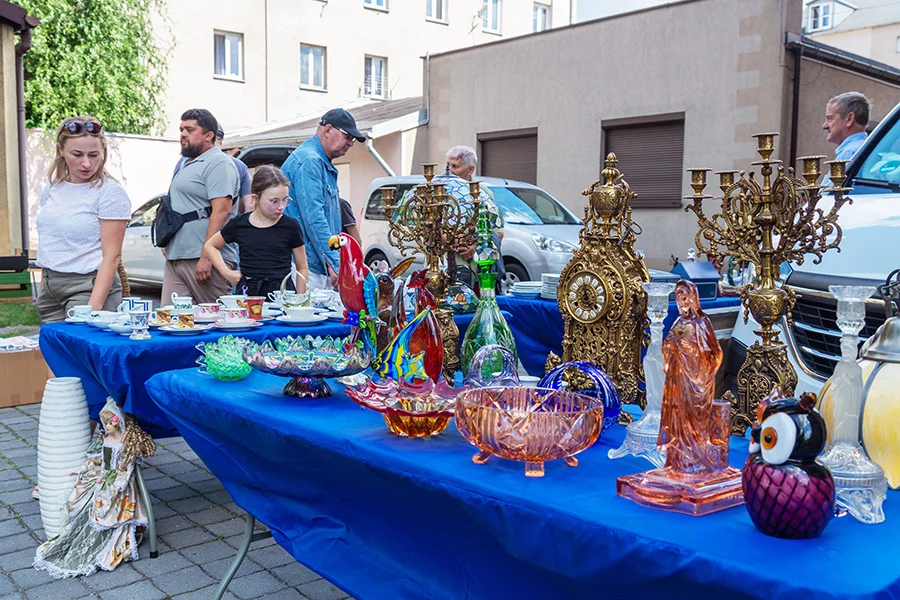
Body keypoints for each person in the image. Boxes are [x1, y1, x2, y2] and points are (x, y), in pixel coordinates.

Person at [35, 116, 131, 323]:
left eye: (94, 154)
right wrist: (45, 283)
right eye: (77, 154)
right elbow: (51, 238)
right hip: (51, 288)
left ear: (103, 153)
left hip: (87, 287)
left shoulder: (110, 192)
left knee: (81, 352)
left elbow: (112, 257)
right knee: (52, 354)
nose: (86, 163)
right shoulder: (53, 186)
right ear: (61, 150)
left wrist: (92, 310)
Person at [161, 108, 240, 304]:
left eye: (190, 129)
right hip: (177, 257)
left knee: (218, 324)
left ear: (209, 135)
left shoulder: (218, 163)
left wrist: (207, 257)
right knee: (173, 324)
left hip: (205, 259)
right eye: (181, 130)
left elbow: (222, 211)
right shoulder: (187, 164)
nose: (183, 135)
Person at [281, 108, 365, 290]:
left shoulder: (317, 160)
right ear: (327, 130)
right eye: (347, 136)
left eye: (353, 139)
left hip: (313, 263)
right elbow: (314, 218)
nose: (350, 143)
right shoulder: (310, 161)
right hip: (308, 266)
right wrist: (335, 263)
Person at [204, 166, 309, 297]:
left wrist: (299, 299)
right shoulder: (239, 224)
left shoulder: (290, 226)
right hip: (249, 292)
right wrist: (227, 273)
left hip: (281, 294)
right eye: (274, 201)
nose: (281, 206)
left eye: (285, 200)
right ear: (256, 198)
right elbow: (211, 245)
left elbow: (302, 267)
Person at [658, 280, 724, 476]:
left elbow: (715, 353)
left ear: (693, 299)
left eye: (684, 296)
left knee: (695, 419)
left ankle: (696, 458)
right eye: (678, 297)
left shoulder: (702, 323)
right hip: (678, 379)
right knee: (678, 416)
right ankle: (678, 457)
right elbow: (668, 344)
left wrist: (699, 366)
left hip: (696, 379)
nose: (681, 301)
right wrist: (670, 351)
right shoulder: (679, 322)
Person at [439, 145, 505, 289]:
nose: (449, 171)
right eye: (448, 165)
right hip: (440, 270)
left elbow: (497, 234)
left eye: (455, 166)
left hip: (474, 272)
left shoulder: (483, 194)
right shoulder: (438, 193)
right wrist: (448, 239)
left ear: (470, 170)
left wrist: (475, 248)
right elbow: (426, 230)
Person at [173, 124, 252, 213]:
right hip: (228, 223)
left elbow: (173, 196)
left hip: (191, 223)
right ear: (221, 142)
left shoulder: (185, 162)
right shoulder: (239, 166)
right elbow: (249, 206)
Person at [821, 92, 870, 187]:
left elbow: (828, 196)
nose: (825, 126)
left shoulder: (850, 153)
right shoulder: (866, 147)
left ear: (849, 119)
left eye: (830, 118)